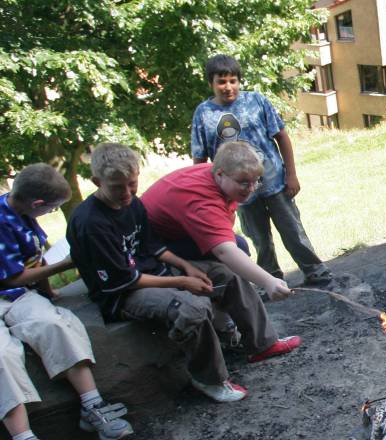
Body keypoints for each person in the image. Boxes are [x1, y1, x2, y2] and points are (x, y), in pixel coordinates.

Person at [68, 144, 301, 403]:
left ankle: (262, 344)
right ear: (96, 181)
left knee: (226, 275)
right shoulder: (91, 223)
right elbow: (124, 280)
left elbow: (153, 246)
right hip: (124, 294)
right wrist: (182, 280)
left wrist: (186, 266)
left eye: (132, 184)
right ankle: (208, 378)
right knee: (193, 306)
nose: (127, 193)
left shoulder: (131, 204)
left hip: (154, 271)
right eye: (117, 187)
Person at [1, 164, 133, 440]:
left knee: (54, 324)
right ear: (37, 203)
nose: (50, 213)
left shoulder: (20, 211)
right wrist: (65, 265)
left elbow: (33, 256)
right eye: (50, 209)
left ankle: (92, 405)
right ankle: (23, 436)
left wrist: (47, 291)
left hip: (20, 295)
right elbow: (12, 278)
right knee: (2, 356)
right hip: (9, 290)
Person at [191, 54, 332, 286]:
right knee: (259, 239)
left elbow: (281, 136)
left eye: (233, 81)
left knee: (292, 229)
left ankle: (316, 272)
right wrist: (208, 195)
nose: (228, 87)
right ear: (211, 83)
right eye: (222, 81)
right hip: (237, 192)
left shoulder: (256, 101)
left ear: (239, 81)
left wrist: (291, 174)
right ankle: (271, 280)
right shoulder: (203, 114)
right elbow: (200, 159)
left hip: (274, 181)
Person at [142, 141, 295, 302]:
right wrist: (268, 281)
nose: (251, 188)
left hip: (176, 235)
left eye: (256, 181)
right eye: (244, 183)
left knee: (238, 245)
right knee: (237, 249)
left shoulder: (220, 177)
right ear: (220, 174)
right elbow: (224, 251)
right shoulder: (202, 200)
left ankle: (230, 301)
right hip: (150, 246)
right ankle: (218, 301)